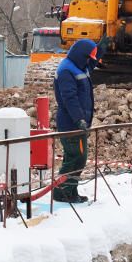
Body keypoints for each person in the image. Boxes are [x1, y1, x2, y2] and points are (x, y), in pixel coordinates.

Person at [53, 38, 100, 203]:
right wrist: (79, 119)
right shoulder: (67, 71)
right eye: (88, 57)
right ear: (82, 56)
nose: (89, 61)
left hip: (77, 123)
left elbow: (91, 65)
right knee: (77, 157)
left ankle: (70, 191)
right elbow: (69, 98)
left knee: (75, 157)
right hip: (71, 123)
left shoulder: (78, 66)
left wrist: (101, 49)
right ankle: (61, 192)